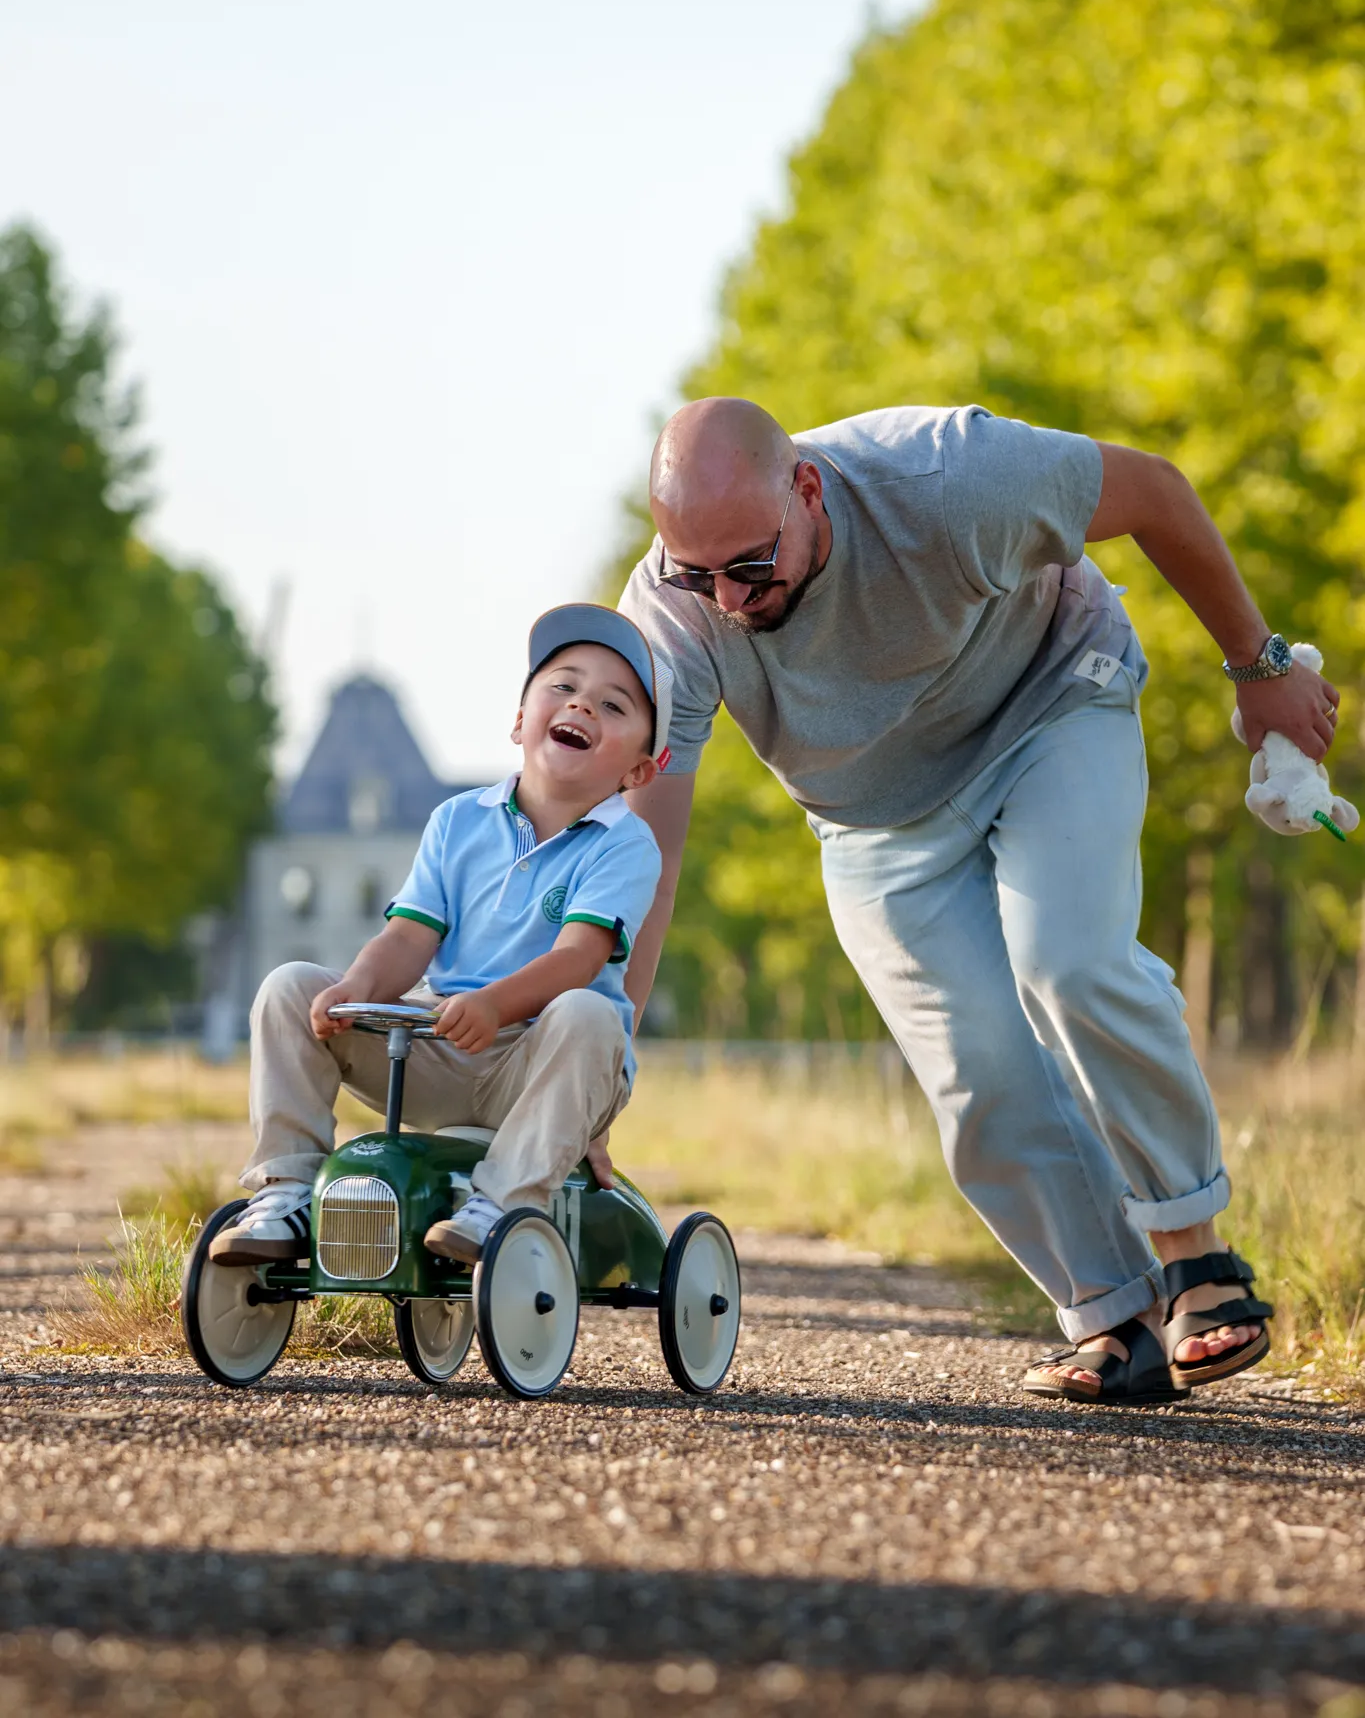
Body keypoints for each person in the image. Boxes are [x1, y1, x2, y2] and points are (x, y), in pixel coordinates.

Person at [616, 397, 1331, 1404]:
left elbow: (1159, 494)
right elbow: (650, 846)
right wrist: (605, 1056)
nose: (728, 599)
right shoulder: (671, 607)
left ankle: (1196, 1258)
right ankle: (1114, 1315)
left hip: (1048, 701)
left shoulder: (948, 476)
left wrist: (1258, 667)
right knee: (977, 1073)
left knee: (1066, 959)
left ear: (807, 489)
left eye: (749, 564)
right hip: (872, 816)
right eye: (698, 572)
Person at [212, 604, 668, 1268]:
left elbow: (579, 957)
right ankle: (287, 1191)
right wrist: (355, 988)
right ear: (519, 722)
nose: (583, 706)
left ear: (638, 771)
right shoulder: (458, 820)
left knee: (592, 1013)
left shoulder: (624, 843)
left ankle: (504, 1203)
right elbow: (407, 938)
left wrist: (493, 1004)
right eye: (563, 687)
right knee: (288, 987)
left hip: (541, 1060)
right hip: (437, 1044)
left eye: (613, 704)